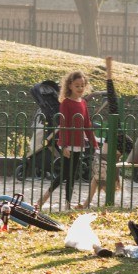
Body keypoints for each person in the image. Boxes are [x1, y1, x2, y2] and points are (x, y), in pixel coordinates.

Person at [52, 70, 95, 207]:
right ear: (70, 85)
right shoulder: (66, 103)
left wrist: (93, 142)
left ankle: (67, 202)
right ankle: (46, 195)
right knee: (65, 173)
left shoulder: (83, 102)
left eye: (82, 85)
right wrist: (64, 145)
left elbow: (87, 123)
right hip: (68, 143)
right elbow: (63, 124)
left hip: (78, 143)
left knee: (72, 174)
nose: (80, 88)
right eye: (77, 86)